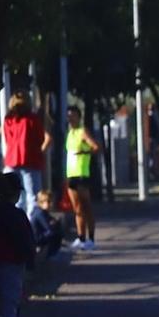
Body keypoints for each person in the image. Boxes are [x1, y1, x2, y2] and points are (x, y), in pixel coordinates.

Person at [2, 91, 51, 230]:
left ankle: (15, 226)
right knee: (33, 196)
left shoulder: (8, 120)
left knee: (14, 197)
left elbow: (6, 139)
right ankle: (31, 227)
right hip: (30, 160)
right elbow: (40, 138)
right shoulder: (32, 119)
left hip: (12, 160)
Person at [64, 106, 100, 250]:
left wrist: (84, 152)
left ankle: (91, 238)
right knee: (77, 208)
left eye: (73, 116)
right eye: (68, 116)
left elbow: (95, 147)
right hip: (71, 174)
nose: (70, 118)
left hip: (81, 174)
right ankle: (81, 237)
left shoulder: (82, 131)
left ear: (78, 117)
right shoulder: (70, 133)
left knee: (86, 207)